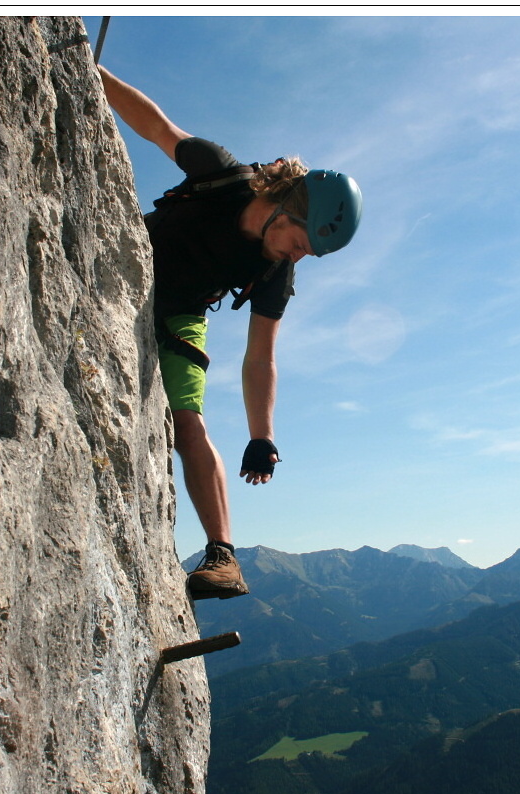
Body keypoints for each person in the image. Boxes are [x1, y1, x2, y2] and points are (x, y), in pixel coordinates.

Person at [99, 65, 362, 600]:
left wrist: (261, 435)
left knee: (187, 423)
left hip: (179, 317)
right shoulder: (221, 176)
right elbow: (156, 126)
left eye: (310, 251)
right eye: (300, 241)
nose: (299, 254)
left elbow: (260, 356)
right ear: (288, 205)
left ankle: (222, 555)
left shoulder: (276, 271)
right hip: (122, 266)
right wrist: (91, 68)